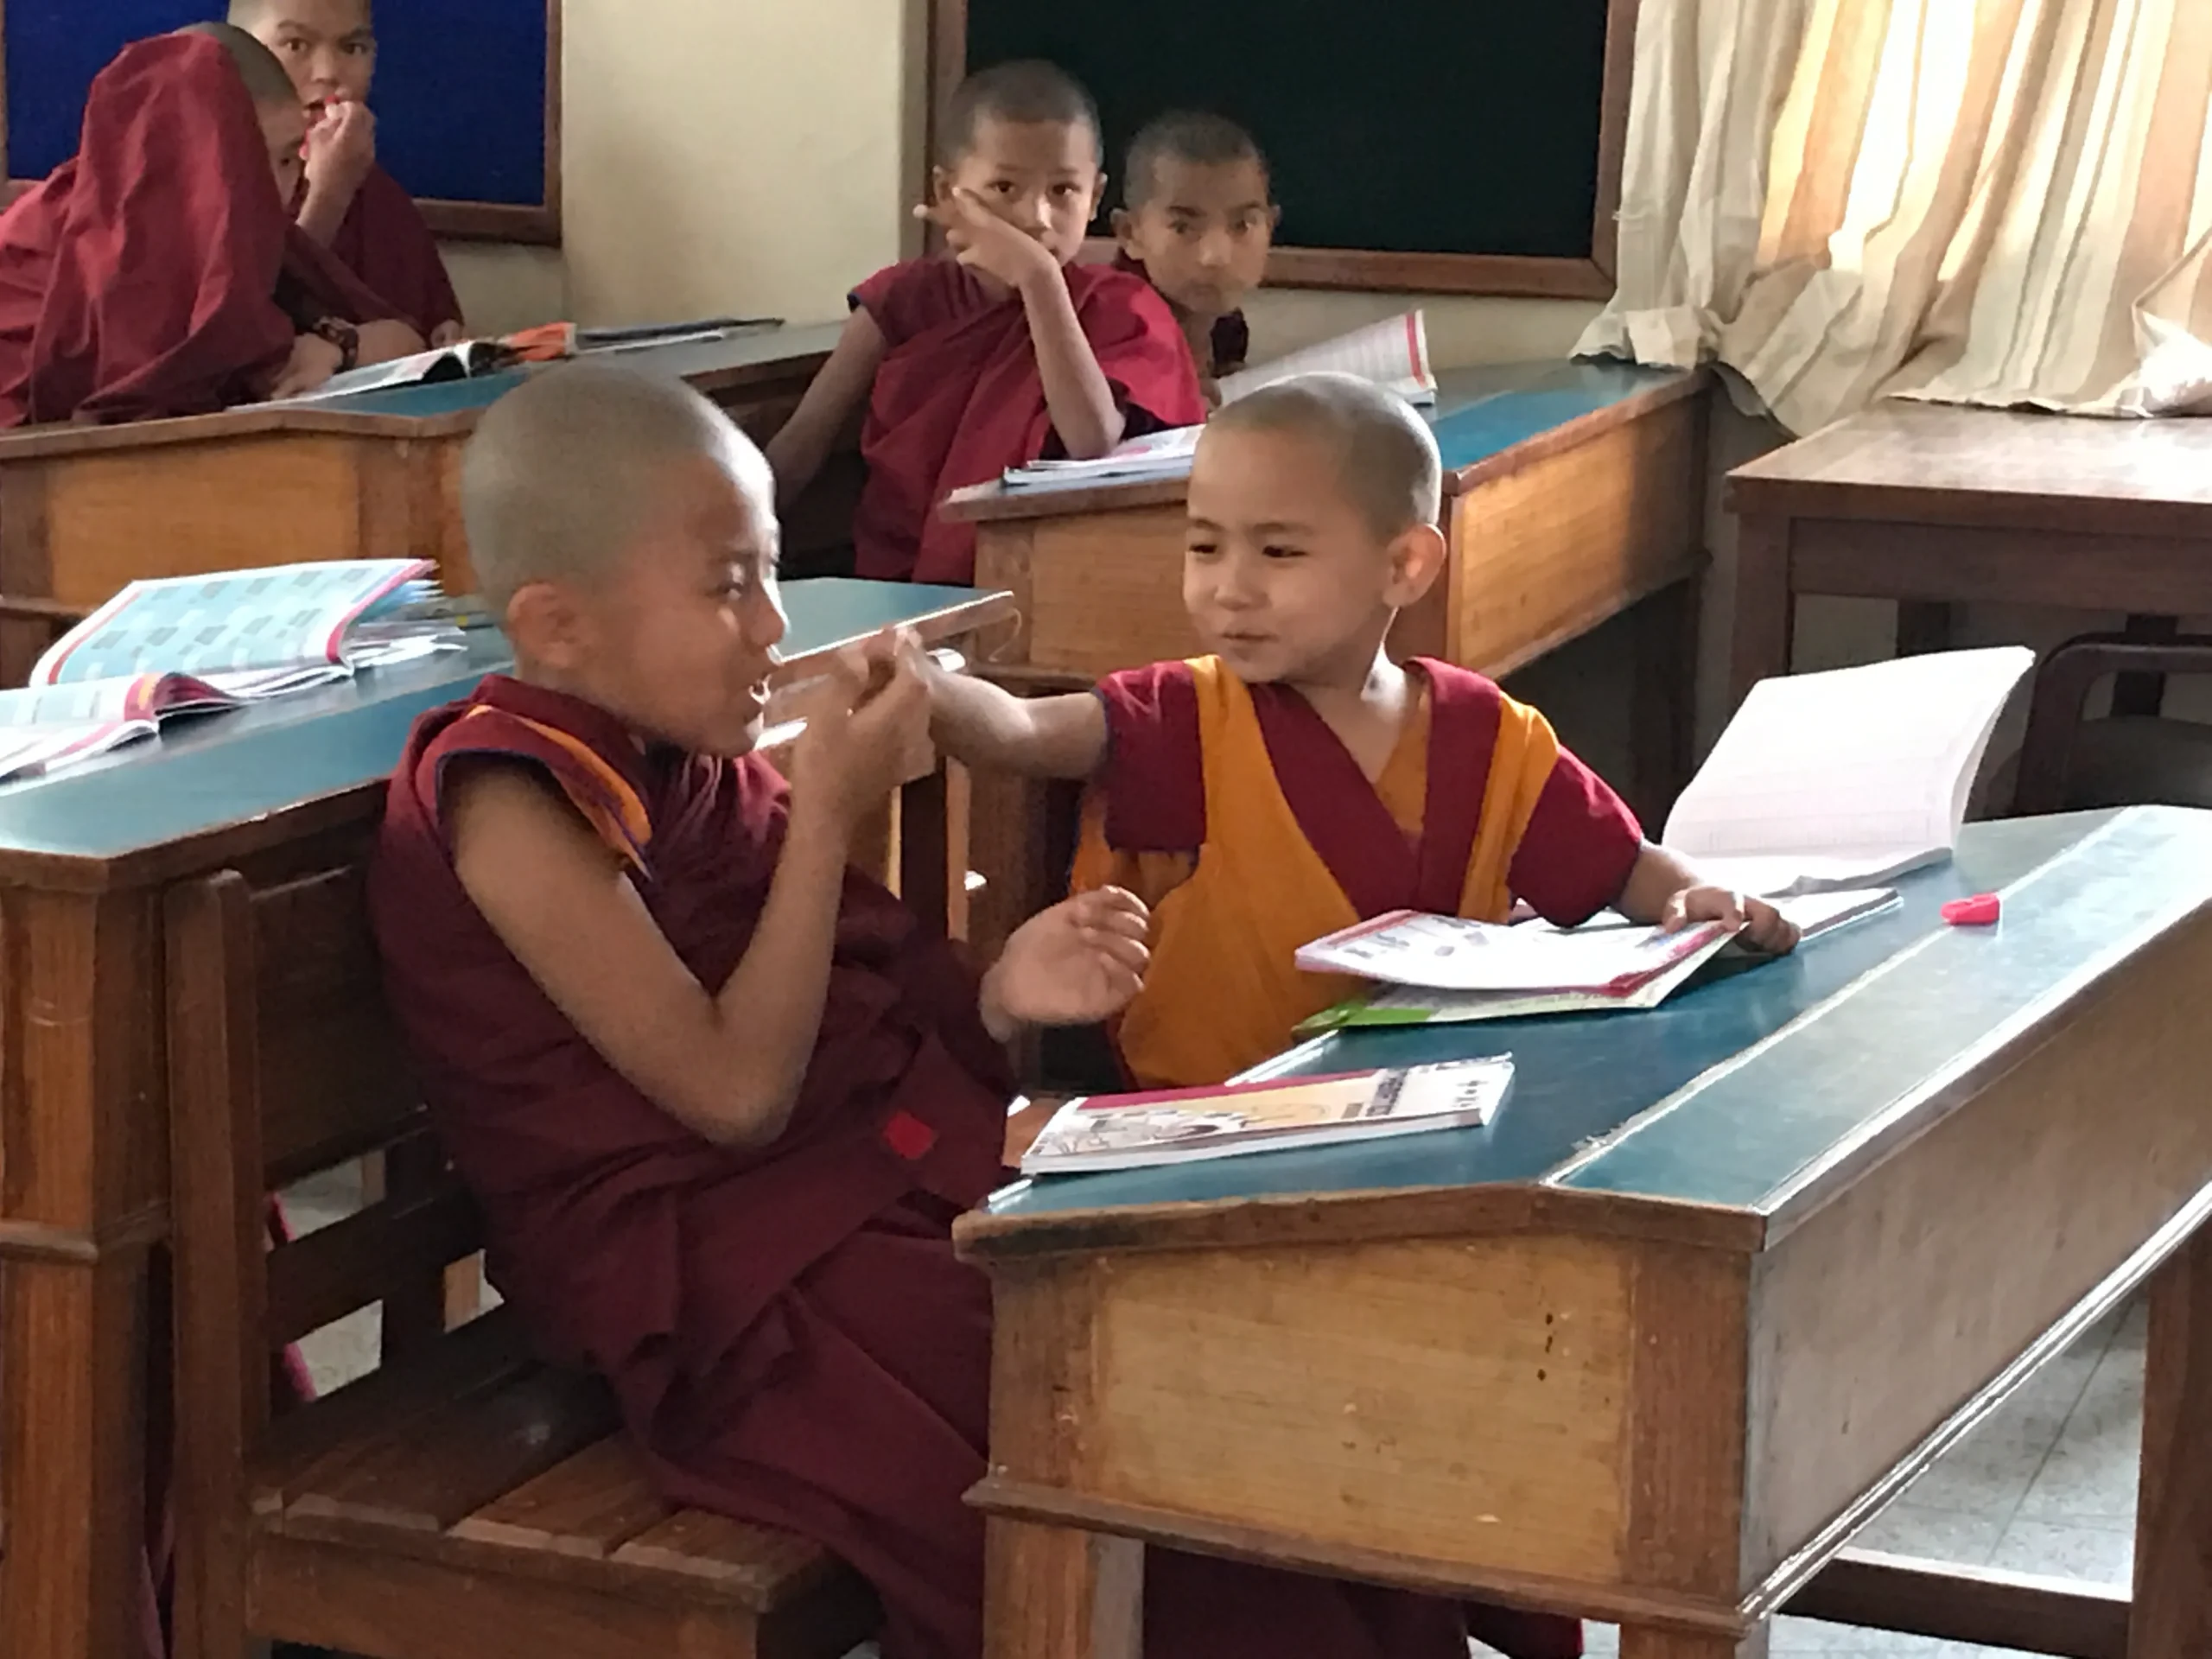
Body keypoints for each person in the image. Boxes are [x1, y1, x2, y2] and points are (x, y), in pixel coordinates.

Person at [369, 361, 1484, 1659]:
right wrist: (830, 810)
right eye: (728, 585)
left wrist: (1002, 991)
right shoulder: (507, 797)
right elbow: (735, 1096)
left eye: (772, 572)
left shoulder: (678, 757)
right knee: (1106, 1432)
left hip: (864, 1190)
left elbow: (863, 1004)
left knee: (1242, 1347)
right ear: (558, 628)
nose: (772, 630)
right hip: (734, 1286)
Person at [926, 372, 1802, 1098]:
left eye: (1277, 554)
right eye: (1203, 548)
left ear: (1404, 565)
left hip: (1427, 1123)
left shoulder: (1486, 738)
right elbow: (1018, 732)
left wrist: (1691, 901)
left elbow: (1623, 868)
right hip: (1203, 1136)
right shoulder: (1186, 714)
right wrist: (919, 686)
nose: (1229, 589)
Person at [766, 60, 1205, 585]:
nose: (1035, 217)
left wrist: (1040, 282)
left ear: (1095, 197)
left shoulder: (1121, 308)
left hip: (1047, 587)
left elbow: (1092, 440)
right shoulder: (903, 301)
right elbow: (801, 446)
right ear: (948, 190)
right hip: (891, 590)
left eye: (1063, 191)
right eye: (1004, 188)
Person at [0, 26, 423, 425]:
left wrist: (335, 349)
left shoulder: (240, 225)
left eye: (292, 158)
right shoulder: (41, 247)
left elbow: (404, 339)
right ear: (193, 154)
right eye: (262, 160)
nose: (289, 183)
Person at [231, 0, 467, 346]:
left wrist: (445, 343)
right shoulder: (212, 181)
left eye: (352, 48)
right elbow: (245, 336)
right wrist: (327, 194)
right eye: (296, 45)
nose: (329, 72)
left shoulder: (375, 192)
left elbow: (430, 324)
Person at [1112, 111, 1277, 403]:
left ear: (1270, 226)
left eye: (1243, 225)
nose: (1216, 256)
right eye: (1183, 228)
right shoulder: (1113, 327)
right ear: (1130, 233)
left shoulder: (1227, 328)